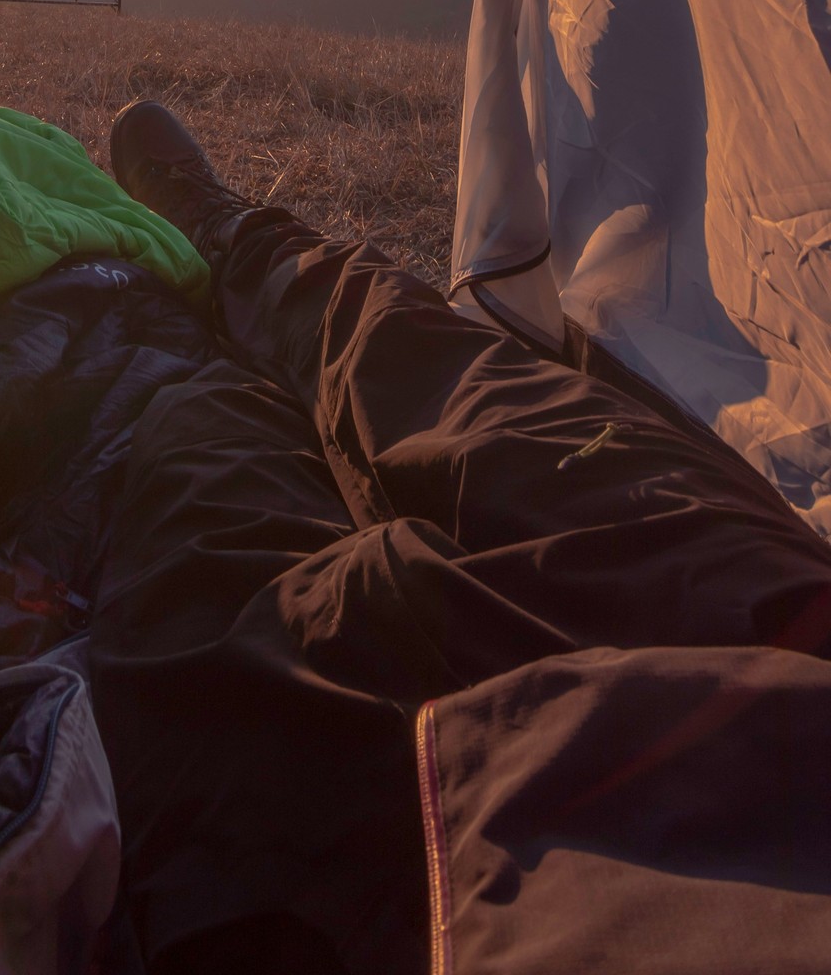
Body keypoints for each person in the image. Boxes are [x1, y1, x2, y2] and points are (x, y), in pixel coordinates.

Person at [90, 102, 831, 975]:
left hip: (399, 858)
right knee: (414, 346)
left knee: (205, 468)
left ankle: (193, 323)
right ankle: (228, 234)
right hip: (774, 660)